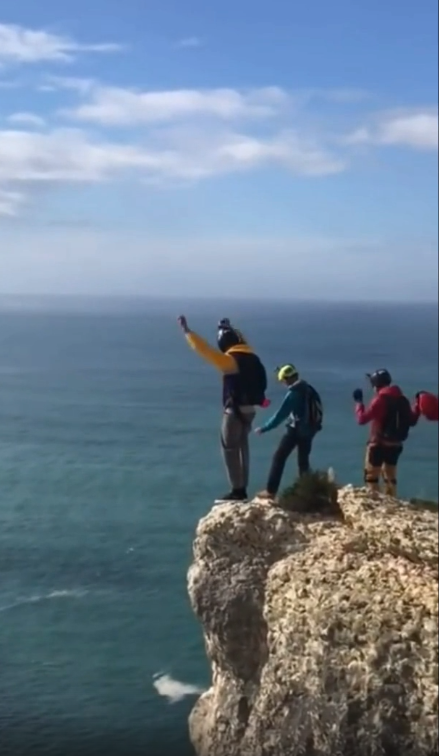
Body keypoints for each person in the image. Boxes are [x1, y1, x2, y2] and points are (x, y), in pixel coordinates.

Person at [177, 315, 268, 502]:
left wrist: (188, 333)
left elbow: (205, 351)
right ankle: (243, 488)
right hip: (250, 411)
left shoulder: (231, 361)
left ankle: (237, 490)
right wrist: (227, 327)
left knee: (229, 448)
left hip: (234, 412)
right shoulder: (254, 359)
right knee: (243, 448)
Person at [255, 364, 323, 500]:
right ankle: (308, 493)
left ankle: (270, 491)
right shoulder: (308, 388)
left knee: (279, 458)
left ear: (287, 379)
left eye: (283, 381)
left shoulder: (294, 393)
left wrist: (264, 428)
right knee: (303, 462)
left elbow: (281, 415)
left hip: (295, 430)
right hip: (309, 430)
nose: (284, 384)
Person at [353, 368, 420, 497]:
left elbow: (362, 419)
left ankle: (376, 502)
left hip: (377, 444)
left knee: (371, 476)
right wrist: (417, 406)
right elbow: (412, 421)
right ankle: (392, 502)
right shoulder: (403, 400)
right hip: (396, 445)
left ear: (376, 385)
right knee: (390, 477)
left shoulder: (380, 400)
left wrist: (359, 403)